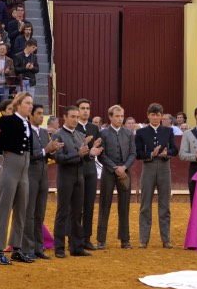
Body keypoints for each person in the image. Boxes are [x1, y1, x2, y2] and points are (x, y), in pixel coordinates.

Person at [0, 92, 38, 265]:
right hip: (9, 167)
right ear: (18, 104)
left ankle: (16, 249)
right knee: (4, 209)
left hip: (24, 169)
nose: (30, 106)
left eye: (31, 103)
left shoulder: (27, 123)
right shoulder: (7, 120)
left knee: (21, 210)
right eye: (27, 103)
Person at [51, 105, 98, 258]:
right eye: (72, 116)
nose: (75, 120)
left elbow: (84, 157)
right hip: (65, 177)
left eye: (77, 117)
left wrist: (91, 154)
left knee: (77, 212)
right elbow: (58, 158)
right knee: (63, 212)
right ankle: (59, 247)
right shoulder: (58, 135)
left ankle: (76, 246)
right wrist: (77, 154)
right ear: (64, 117)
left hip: (79, 176)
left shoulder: (79, 135)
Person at [137, 103, 179, 248]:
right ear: (148, 115)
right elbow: (137, 153)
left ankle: (166, 239)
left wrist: (167, 153)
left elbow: (175, 149)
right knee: (145, 205)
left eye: (158, 115)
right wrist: (150, 154)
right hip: (148, 168)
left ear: (162, 116)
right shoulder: (141, 133)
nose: (155, 117)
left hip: (164, 168)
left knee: (164, 205)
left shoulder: (168, 131)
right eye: (152, 115)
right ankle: (143, 239)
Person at [96, 105, 136, 250]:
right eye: (117, 116)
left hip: (125, 172)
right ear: (110, 117)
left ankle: (125, 239)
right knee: (104, 205)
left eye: (121, 116)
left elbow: (133, 153)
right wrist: (115, 168)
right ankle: (101, 240)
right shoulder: (104, 133)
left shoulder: (129, 133)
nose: (120, 119)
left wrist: (124, 168)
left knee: (124, 205)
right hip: (109, 172)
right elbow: (101, 155)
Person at [23, 103, 60, 260]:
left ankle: (38, 247)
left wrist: (56, 150)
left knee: (40, 212)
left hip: (43, 174)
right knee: (29, 212)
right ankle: (28, 248)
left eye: (42, 113)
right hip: (30, 173)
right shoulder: (26, 131)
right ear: (30, 115)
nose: (41, 116)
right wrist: (46, 150)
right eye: (38, 113)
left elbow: (49, 155)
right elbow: (28, 154)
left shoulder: (45, 132)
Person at [75, 99, 101, 251]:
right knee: (76, 205)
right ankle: (75, 237)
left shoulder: (93, 127)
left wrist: (95, 147)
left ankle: (86, 238)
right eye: (83, 108)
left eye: (88, 108)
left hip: (90, 168)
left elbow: (97, 147)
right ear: (77, 111)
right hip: (76, 168)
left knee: (89, 204)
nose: (85, 111)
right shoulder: (74, 126)